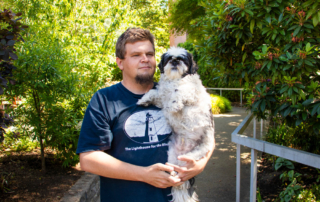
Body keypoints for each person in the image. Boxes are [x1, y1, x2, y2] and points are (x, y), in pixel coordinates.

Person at [76, 28, 213, 202]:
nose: (145, 59)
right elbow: (88, 159)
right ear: (120, 62)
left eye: (150, 54)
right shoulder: (104, 99)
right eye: (135, 55)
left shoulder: (179, 91)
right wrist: (144, 175)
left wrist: (199, 165)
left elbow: (208, 134)